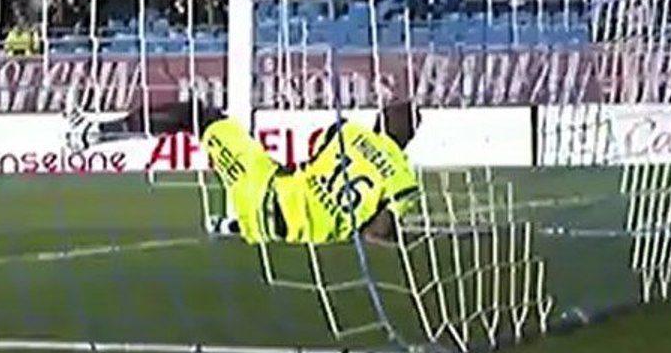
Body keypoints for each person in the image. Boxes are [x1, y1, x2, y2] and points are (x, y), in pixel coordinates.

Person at [64, 96, 421, 245]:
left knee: (200, 117)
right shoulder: (405, 182)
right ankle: (234, 224)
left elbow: (311, 161)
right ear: (408, 140)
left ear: (379, 120)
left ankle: (95, 132)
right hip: (290, 234)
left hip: (261, 196)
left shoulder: (350, 132)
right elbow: (378, 231)